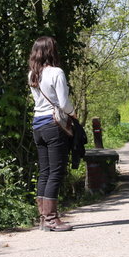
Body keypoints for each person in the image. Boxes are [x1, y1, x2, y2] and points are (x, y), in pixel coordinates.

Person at [29, 36, 75, 231]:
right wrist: (73, 114)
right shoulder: (57, 72)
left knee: (45, 171)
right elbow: (63, 104)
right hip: (53, 124)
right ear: (51, 51)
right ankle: (51, 218)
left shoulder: (32, 74)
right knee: (56, 171)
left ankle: (43, 218)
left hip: (37, 126)